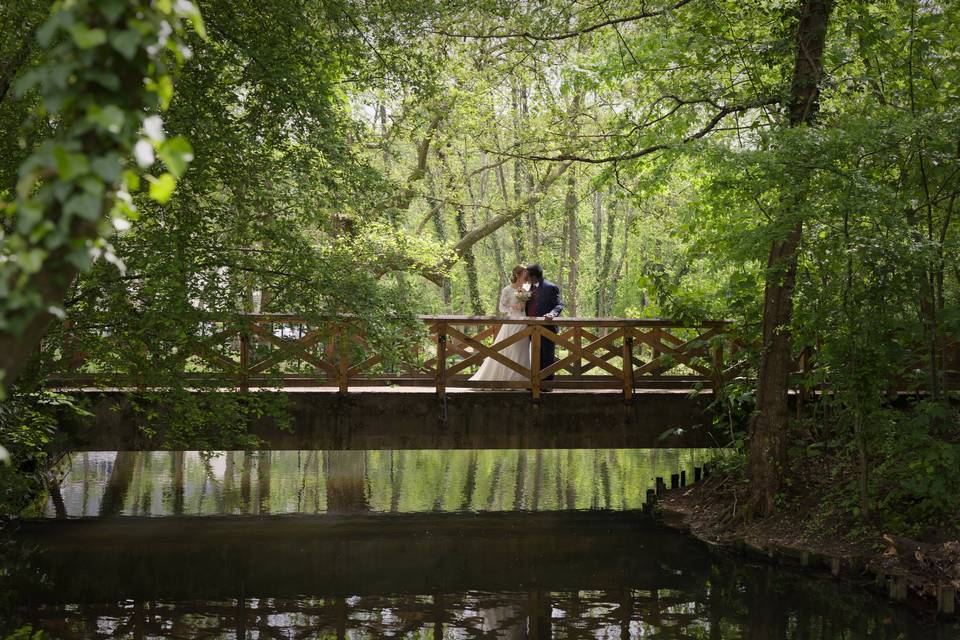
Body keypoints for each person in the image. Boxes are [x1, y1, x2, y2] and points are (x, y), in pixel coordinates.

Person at [470, 265, 532, 383]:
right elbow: (502, 308)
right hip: (512, 323)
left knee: (523, 350)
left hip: (525, 323)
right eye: (525, 273)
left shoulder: (527, 288)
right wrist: (513, 307)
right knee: (512, 350)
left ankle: (522, 380)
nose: (527, 276)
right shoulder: (507, 290)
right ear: (518, 275)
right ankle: (510, 379)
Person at [524, 263, 564, 387]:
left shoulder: (550, 287)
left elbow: (559, 305)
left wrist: (552, 313)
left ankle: (547, 386)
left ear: (534, 276)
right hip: (531, 328)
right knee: (535, 356)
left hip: (547, 327)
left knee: (547, 356)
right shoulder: (527, 288)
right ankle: (536, 385)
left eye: (527, 274)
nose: (525, 276)